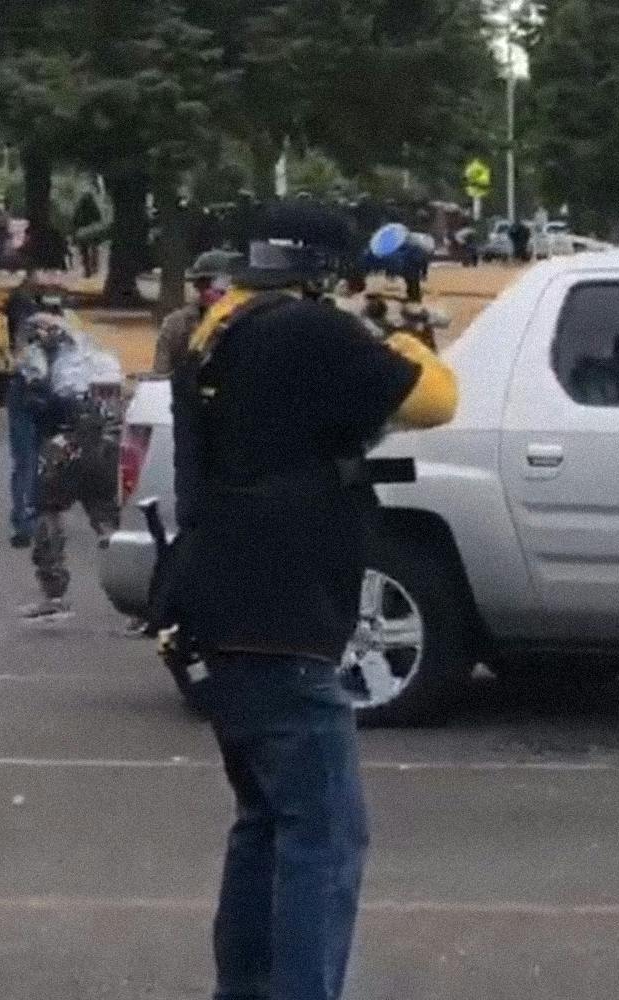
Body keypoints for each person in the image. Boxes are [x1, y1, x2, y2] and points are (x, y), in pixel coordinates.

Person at [163, 244, 457, 1000]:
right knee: (323, 838)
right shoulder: (311, 332)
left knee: (264, 823)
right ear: (323, 277)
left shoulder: (213, 334)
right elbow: (433, 400)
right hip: (288, 612)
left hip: (219, 600)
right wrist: (402, 337)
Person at [15, 311, 123, 623]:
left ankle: (54, 594)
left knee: (48, 510)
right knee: (105, 520)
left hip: (66, 437)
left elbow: (39, 401)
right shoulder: (99, 355)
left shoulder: (44, 357)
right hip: (105, 440)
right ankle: (136, 601)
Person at [0, 269, 65, 547]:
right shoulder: (26, 313)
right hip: (31, 390)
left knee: (41, 458)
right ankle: (28, 520)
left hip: (45, 392)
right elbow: (22, 348)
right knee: (30, 458)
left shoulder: (63, 322)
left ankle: (36, 516)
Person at [153, 250, 237, 377]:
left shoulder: (247, 321)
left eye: (211, 283)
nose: (206, 290)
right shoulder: (177, 323)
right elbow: (161, 374)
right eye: (202, 283)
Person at [72, 189, 104, 279]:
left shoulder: (80, 206)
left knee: (85, 251)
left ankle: (88, 269)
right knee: (93, 249)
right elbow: (98, 218)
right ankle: (93, 267)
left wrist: (75, 232)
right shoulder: (93, 205)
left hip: (83, 230)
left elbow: (75, 220)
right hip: (91, 230)